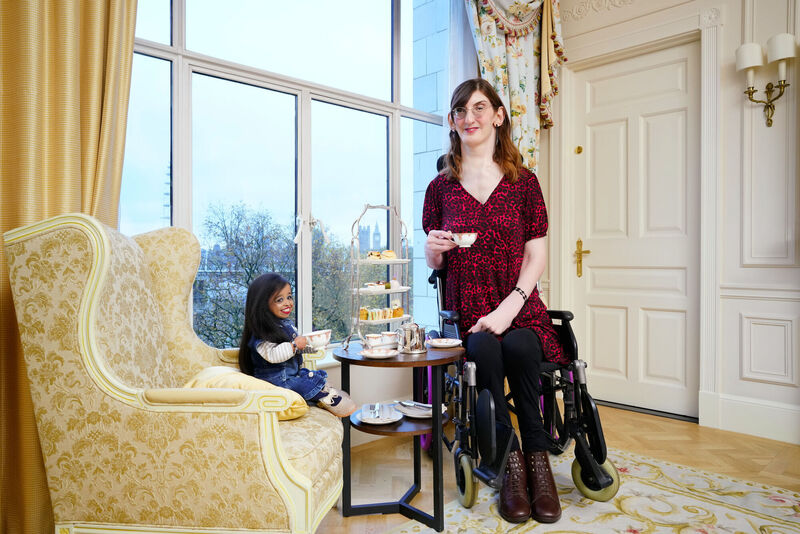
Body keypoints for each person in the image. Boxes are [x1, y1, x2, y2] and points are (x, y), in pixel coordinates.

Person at [422, 78, 567, 524]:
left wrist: (507, 311)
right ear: (452, 122)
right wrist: (435, 248)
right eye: (460, 111)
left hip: (519, 306)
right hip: (468, 309)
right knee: (483, 348)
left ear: (498, 115)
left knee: (523, 347)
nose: (470, 117)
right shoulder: (440, 188)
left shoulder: (524, 183)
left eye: (479, 108)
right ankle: (511, 462)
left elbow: (537, 254)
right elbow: (434, 260)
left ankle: (539, 462)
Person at [238, 272, 357, 417]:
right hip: (277, 382)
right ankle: (326, 397)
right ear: (262, 305)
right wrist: (294, 345)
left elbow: (296, 351)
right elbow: (274, 355)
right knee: (304, 383)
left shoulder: (286, 325)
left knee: (307, 375)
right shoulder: (262, 334)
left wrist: (312, 348)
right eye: (279, 299)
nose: (288, 303)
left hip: (290, 376)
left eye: (289, 297)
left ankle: (322, 393)